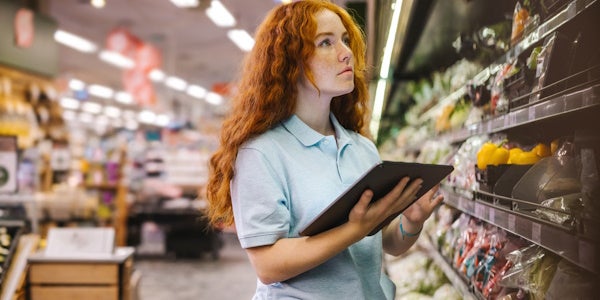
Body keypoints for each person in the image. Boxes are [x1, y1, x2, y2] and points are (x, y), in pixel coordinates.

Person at [206, 1, 443, 299]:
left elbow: (388, 242)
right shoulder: (262, 153)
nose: (346, 53)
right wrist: (354, 229)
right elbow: (268, 264)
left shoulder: (362, 148)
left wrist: (411, 220)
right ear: (290, 61)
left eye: (345, 39)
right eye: (325, 43)